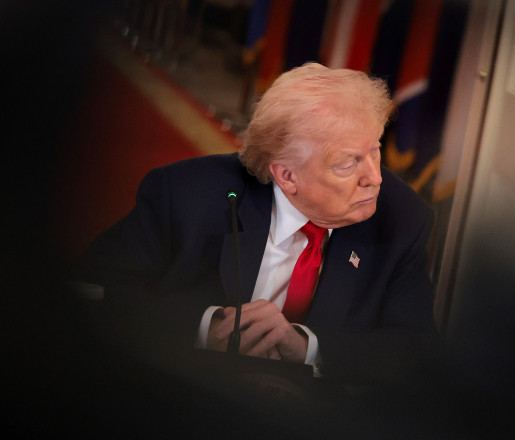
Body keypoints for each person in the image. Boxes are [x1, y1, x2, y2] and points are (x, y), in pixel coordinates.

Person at [79, 62, 437, 387]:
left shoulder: (401, 217)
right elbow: (94, 289)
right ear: (286, 175)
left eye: (374, 150)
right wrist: (202, 328)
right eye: (347, 164)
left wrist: (308, 348)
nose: (374, 178)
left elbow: (412, 346)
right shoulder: (188, 195)